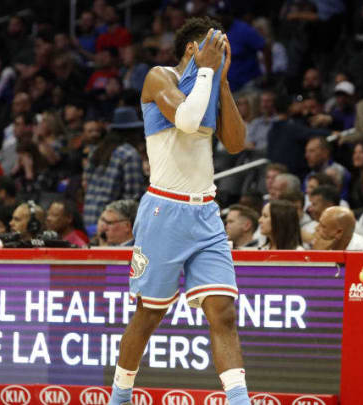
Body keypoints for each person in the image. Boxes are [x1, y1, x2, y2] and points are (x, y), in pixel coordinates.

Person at [107, 18, 251, 405]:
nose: (223, 53)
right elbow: (187, 120)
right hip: (163, 212)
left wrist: (220, 81)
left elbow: (237, 144)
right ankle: (119, 396)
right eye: (216, 46)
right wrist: (208, 69)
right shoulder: (159, 77)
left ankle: (239, 401)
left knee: (223, 314)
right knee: (148, 316)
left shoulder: (211, 84)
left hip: (206, 213)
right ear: (193, 47)